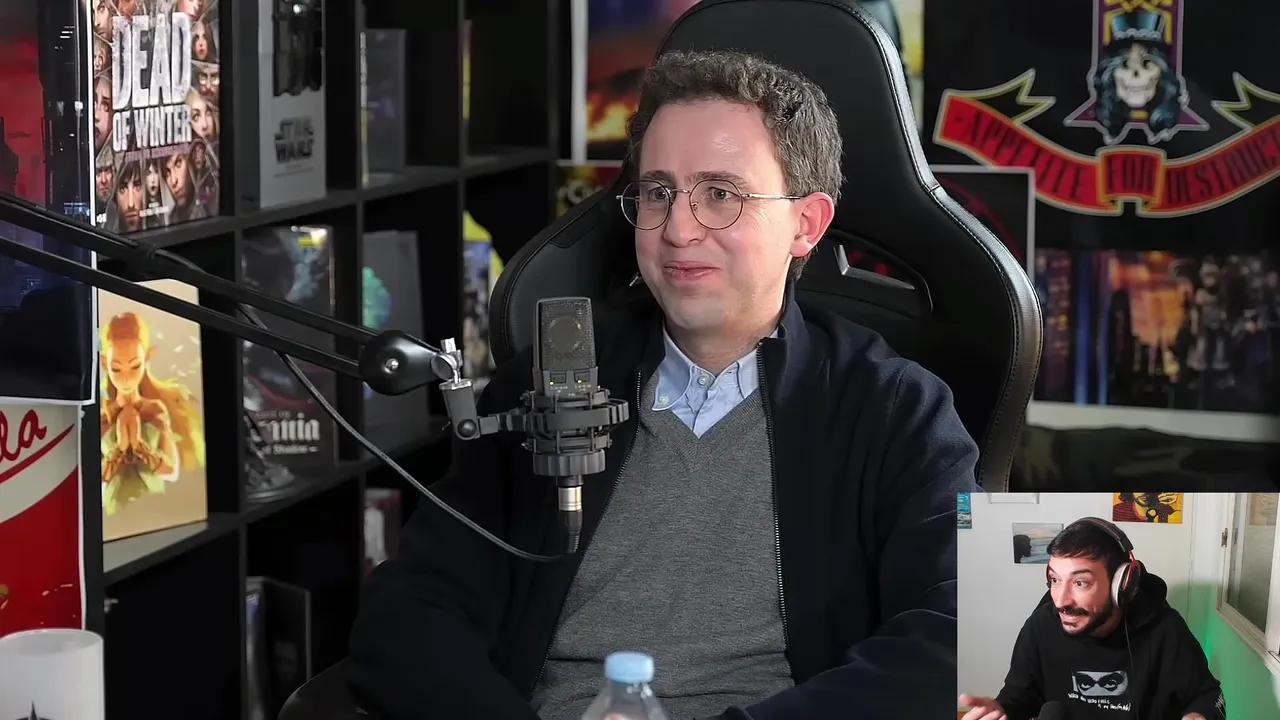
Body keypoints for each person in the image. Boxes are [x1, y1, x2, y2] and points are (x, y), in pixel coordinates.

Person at [349, 49, 979, 720]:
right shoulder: (541, 388)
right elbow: (409, 612)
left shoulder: (898, 408)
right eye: (656, 192)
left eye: (720, 195)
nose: (677, 230)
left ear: (806, 224)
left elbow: (966, 632)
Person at [960, 518, 1225, 720]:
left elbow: (1209, 696)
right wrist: (1002, 709)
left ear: (1122, 584)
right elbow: (1020, 695)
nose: (1061, 600)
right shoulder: (1041, 626)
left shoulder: (1165, 630)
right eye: (1054, 580)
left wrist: (1200, 715)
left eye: (1080, 582)